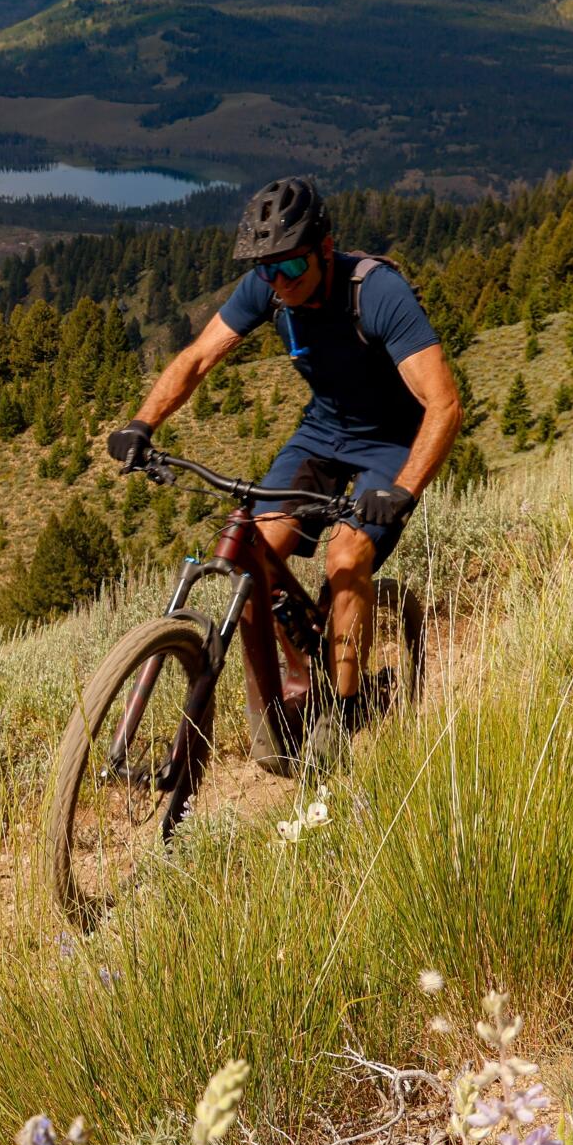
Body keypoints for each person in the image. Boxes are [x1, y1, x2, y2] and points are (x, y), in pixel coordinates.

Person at [105, 177, 463, 771]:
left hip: (390, 444)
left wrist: (401, 491)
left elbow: (444, 405)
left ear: (325, 248)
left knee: (346, 560)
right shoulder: (267, 287)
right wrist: (143, 423)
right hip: (323, 433)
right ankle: (281, 700)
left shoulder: (377, 294)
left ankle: (343, 716)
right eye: (267, 267)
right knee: (255, 551)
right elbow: (197, 358)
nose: (279, 280)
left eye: (292, 263)